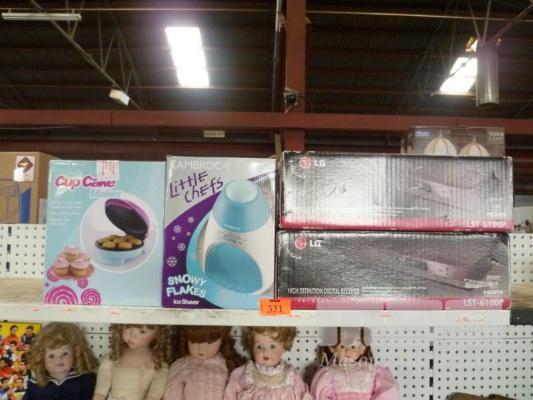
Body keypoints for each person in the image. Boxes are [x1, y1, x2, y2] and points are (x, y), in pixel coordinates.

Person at [224, 326, 312, 400]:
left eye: (272, 346)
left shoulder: (290, 377)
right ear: (252, 347)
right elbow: (231, 394)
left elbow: (304, 396)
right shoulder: (246, 374)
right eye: (259, 346)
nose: (265, 351)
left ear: (285, 346)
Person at [310, 327, 400, 400]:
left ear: (362, 349)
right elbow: (320, 396)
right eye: (342, 346)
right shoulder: (328, 374)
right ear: (332, 348)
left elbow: (388, 392)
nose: (347, 351)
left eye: (353, 347)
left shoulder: (372, 372)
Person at [93, 324, 172, 400]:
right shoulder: (114, 357)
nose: (131, 335)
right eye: (128, 327)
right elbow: (100, 391)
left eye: (142, 331)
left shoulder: (158, 364)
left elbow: (154, 394)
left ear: (157, 334)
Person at [164, 326, 244, 400]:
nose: (201, 348)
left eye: (209, 343)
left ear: (221, 340)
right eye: (193, 341)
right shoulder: (182, 365)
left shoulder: (228, 364)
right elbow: (172, 394)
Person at [24, 322, 99, 400]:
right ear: (41, 358)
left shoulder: (86, 380)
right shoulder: (36, 383)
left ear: (76, 353)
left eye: (65, 353)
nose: (59, 359)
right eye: (51, 356)